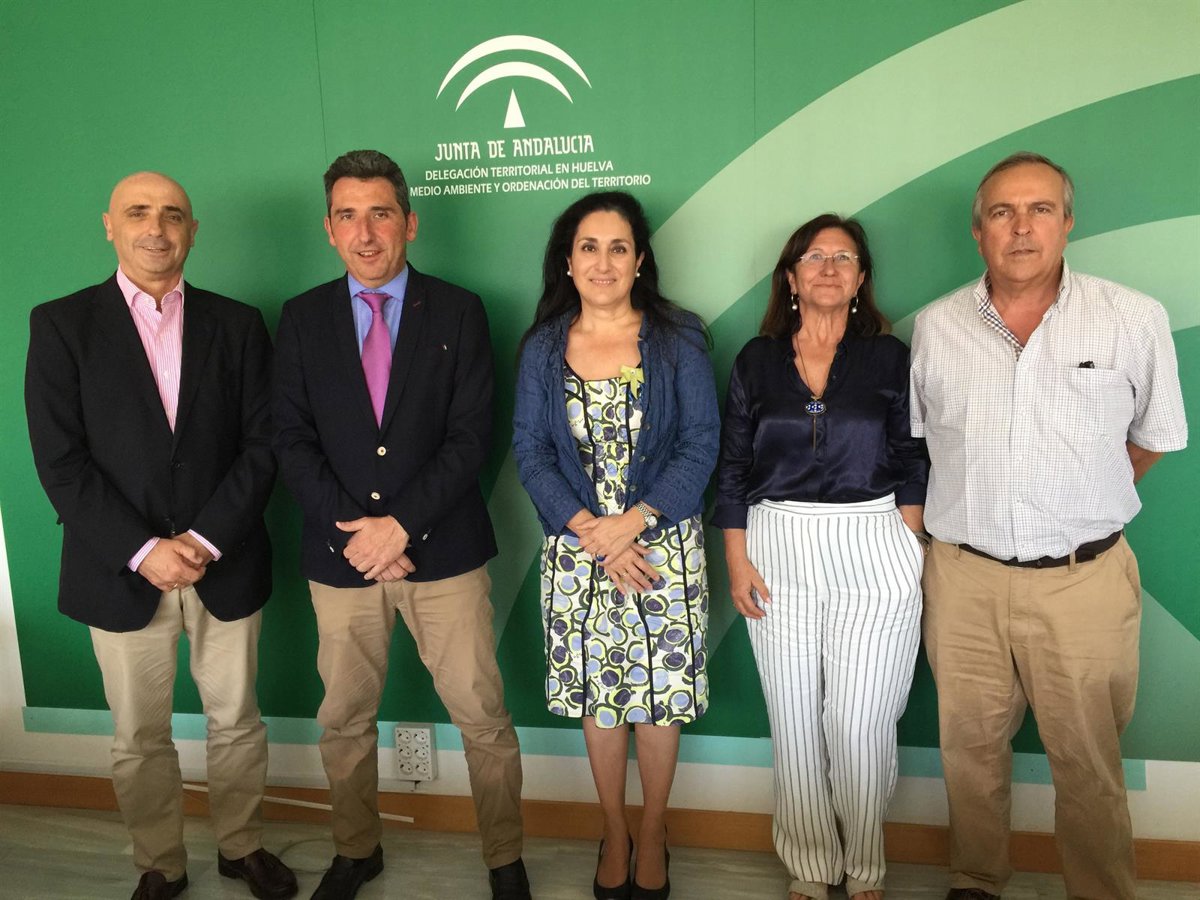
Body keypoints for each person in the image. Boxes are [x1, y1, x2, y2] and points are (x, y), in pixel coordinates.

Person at [910, 151, 1188, 899]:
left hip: (1082, 581)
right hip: (963, 579)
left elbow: (1154, 438)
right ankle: (975, 877)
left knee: (1088, 761)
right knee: (969, 752)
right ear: (978, 232)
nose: (1021, 227)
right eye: (1002, 212)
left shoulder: (1131, 317)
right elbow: (925, 443)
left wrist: (1081, 498)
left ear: (1068, 223)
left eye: (1039, 210)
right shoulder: (937, 327)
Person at [24, 173, 296, 900]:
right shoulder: (60, 325)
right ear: (109, 224)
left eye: (172, 215)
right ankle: (160, 863)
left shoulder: (238, 324)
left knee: (236, 721)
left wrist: (204, 539)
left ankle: (242, 847)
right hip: (119, 571)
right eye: (139, 213)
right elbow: (60, 461)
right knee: (139, 736)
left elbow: (264, 444)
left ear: (192, 231)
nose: (156, 227)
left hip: (224, 562)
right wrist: (145, 550)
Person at [272, 149, 529, 900]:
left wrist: (400, 527)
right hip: (341, 558)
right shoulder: (302, 318)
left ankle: (505, 858)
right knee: (345, 719)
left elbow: (471, 437)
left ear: (409, 222)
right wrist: (359, 536)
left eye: (380, 213)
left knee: (482, 714)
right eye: (348, 216)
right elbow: (291, 439)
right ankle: (356, 851)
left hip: (444, 554)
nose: (365, 232)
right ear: (328, 228)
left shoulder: (459, 309)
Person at [512, 191, 719, 900]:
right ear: (568, 262)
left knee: (659, 702)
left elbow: (701, 443)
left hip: (663, 552)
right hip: (578, 553)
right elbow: (531, 453)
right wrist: (594, 533)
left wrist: (636, 521)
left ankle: (653, 830)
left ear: (639, 261)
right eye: (589, 247)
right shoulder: (543, 348)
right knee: (601, 703)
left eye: (618, 247)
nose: (603, 262)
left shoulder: (678, 337)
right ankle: (615, 830)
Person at [714, 214, 927, 900]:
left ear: (861, 279)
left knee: (860, 721)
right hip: (775, 545)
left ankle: (864, 863)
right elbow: (732, 468)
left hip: (874, 541)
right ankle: (809, 864)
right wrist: (737, 560)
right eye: (814, 256)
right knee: (794, 719)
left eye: (844, 257)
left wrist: (908, 543)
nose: (829, 267)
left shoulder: (889, 358)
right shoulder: (756, 360)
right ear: (791, 276)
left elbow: (914, 457)